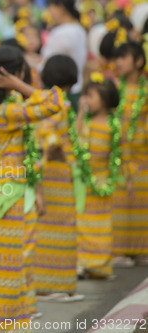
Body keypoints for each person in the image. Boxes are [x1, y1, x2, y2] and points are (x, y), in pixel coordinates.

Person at [0, 45, 66, 327]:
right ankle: (6, 316)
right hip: (11, 191)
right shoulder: (8, 110)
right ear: (15, 74)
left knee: (9, 256)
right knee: (10, 258)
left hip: (5, 188)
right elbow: (56, 103)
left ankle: (15, 311)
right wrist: (20, 84)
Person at [34, 55, 83, 302]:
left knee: (46, 228)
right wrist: (58, 152)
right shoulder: (60, 102)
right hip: (56, 173)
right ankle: (52, 286)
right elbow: (48, 132)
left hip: (47, 172)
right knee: (60, 227)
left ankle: (46, 284)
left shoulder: (43, 98)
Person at [75, 73, 120, 280]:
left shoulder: (113, 126)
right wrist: (80, 114)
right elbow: (75, 139)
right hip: (86, 182)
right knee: (83, 225)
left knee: (102, 226)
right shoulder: (87, 123)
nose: (86, 100)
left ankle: (101, 265)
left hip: (104, 181)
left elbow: (118, 154)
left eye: (90, 96)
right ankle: (84, 263)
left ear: (104, 98)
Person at [111, 42, 148, 266]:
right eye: (117, 58)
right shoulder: (113, 88)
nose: (118, 62)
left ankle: (143, 250)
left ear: (138, 61)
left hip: (143, 154)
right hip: (119, 154)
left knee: (143, 203)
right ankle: (120, 251)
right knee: (120, 202)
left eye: (123, 58)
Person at [41, 0, 87, 109]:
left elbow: (50, 64)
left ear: (61, 7)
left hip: (60, 93)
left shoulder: (62, 32)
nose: (49, 13)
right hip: (75, 89)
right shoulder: (78, 28)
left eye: (50, 8)